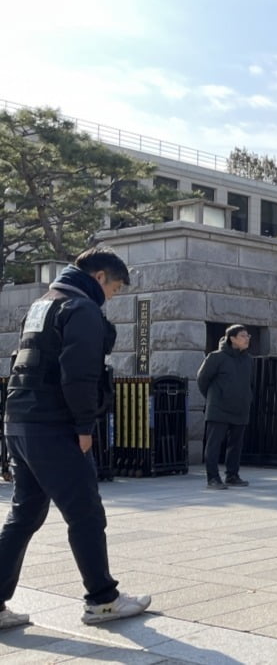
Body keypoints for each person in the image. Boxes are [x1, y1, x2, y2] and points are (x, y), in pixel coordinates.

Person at [0, 247, 151, 629]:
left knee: (25, 514)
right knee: (85, 512)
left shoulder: (42, 304)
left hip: (20, 420)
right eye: (115, 289)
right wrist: (85, 427)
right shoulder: (81, 309)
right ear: (100, 277)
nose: (112, 297)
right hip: (55, 425)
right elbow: (78, 373)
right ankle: (102, 600)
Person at [197, 324, 254, 489]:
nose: (247, 338)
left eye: (247, 335)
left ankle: (232, 475)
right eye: (243, 335)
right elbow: (202, 380)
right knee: (214, 444)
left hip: (240, 408)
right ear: (232, 338)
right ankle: (213, 478)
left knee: (236, 445)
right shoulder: (216, 357)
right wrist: (213, 398)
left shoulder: (248, 360)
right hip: (218, 408)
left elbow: (249, 383)